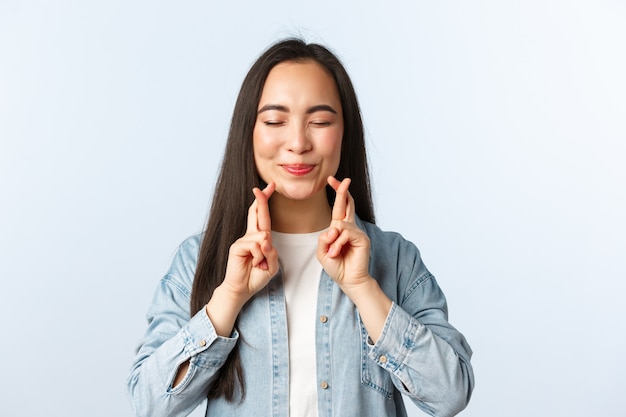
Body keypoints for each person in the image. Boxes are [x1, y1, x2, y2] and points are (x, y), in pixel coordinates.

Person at [127, 38, 474, 417]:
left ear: (345, 132)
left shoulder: (395, 258)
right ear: (249, 133)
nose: (297, 142)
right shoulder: (198, 259)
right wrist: (229, 296)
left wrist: (362, 288)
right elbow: (149, 403)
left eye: (320, 121)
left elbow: (449, 394)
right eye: (275, 121)